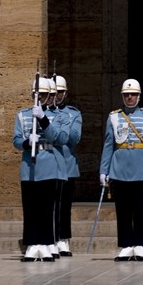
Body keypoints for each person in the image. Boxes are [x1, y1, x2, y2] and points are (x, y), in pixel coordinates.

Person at [99, 78, 143, 262]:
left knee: (140, 209)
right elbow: (108, 145)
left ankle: (140, 245)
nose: (130, 98)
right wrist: (104, 170)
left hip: (141, 168)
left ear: (139, 96)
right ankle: (126, 245)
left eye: (133, 94)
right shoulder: (114, 117)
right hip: (119, 169)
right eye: (126, 95)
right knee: (123, 209)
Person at [14, 75, 66, 262]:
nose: (40, 97)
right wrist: (27, 142)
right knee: (30, 207)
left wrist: (43, 119)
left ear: (50, 95)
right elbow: (16, 141)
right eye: (37, 94)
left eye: (43, 94)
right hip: (29, 166)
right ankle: (32, 243)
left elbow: (59, 138)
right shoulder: (22, 115)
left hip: (49, 165)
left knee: (46, 207)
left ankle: (45, 243)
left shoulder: (58, 116)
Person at [51, 74, 82, 257]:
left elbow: (74, 137)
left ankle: (63, 238)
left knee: (64, 206)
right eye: (54, 92)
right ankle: (51, 237)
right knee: (50, 205)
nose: (57, 95)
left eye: (60, 92)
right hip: (49, 165)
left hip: (67, 164)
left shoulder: (73, 113)